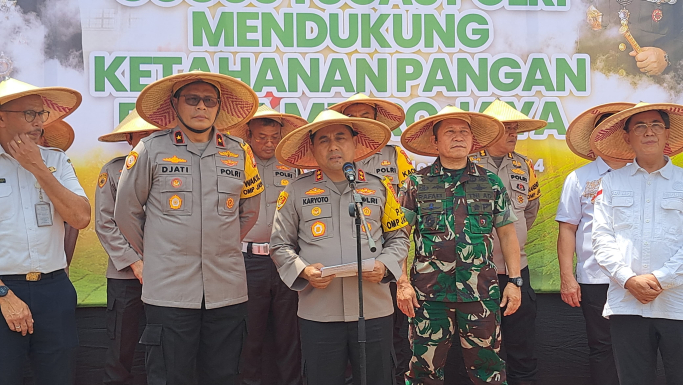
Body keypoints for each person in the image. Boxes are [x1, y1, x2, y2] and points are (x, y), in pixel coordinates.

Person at [114, 71, 263, 385]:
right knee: (170, 376)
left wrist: (218, 246)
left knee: (225, 375)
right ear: (175, 104)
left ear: (218, 106)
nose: (201, 107)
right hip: (169, 291)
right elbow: (126, 213)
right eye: (192, 99)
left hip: (227, 290)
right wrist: (161, 253)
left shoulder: (239, 152)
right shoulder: (150, 150)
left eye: (209, 101)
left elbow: (249, 210)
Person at [270, 109, 410, 385]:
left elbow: (399, 238)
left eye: (340, 138)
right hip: (319, 312)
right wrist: (303, 270)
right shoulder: (295, 191)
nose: (333, 146)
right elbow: (280, 244)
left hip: (373, 309)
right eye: (323, 140)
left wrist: (385, 266)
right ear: (312, 147)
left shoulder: (380, 187)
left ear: (355, 143)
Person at [398, 105, 522, 385]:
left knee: (488, 371)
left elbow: (507, 234)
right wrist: (403, 283)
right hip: (429, 297)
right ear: (435, 141)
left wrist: (514, 281)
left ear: (472, 140)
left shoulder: (490, 182)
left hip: (480, 294)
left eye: (464, 132)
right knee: (423, 373)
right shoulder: (416, 183)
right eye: (450, 132)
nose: (458, 137)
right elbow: (399, 237)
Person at [445, 100, 545, 385]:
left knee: (522, 344)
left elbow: (530, 211)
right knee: (480, 348)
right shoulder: (469, 163)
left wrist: (513, 243)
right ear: (489, 133)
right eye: (506, 129)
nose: (513, 134)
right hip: (475, 272)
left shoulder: (523, 165)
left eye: (515, 129)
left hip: (516, 271)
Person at [0, 75, 90, 385]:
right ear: (1, 118)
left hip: (53, 290)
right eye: (29, 113)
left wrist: (37, 166)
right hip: (2, 290)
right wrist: (2, 294)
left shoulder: (56, 161)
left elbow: (80, 217)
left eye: (41, 114)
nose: (39, 122)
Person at [591, 102, 683, 384]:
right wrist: (628, 279)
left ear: (667, 134)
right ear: (627, 137)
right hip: (626, 304)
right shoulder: (610, 183)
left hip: (677, 304)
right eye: (640, 126)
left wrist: (660, 279)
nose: (649, 132)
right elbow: (601, 238)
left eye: (656, 125)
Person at [330, 93, 415, 385]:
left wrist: (400, 271)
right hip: (343, 263)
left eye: (366, 115)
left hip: (389, 260)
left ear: (377, 122)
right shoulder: (332, 157)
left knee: (392, 335)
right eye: (353, 117)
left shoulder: (396, 157)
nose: (360, 122)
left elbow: (408, 211)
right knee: (346, 334)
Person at [228, 104, 307, 385]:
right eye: (262, 137)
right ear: (249, 135)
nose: (269, 143)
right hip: (247, 261)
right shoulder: (235, 165)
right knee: (249, 334)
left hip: (286, 259)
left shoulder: (295, 169)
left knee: (290, 334)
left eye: (275, 137)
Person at [555, 102, 634, 385]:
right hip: (595, 277)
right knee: (601, 346)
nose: (611, 136)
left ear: (627, 134)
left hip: (641, 277)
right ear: (595, 137)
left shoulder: (644, 174)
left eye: (618, 129)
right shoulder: (579, 178)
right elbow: (568, 229)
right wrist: (568, 277)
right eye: (604, 130)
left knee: (641, 346)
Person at [96, 109, 161, 385]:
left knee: (163, 347)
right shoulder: (112, 171)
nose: (148, 141)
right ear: (129, 138)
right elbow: (105, 224)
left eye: (153, 135)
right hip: (125, 276)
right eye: (142, 135)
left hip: (168, 276)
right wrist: (135, 263)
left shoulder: (172, 171)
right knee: (121, 346)